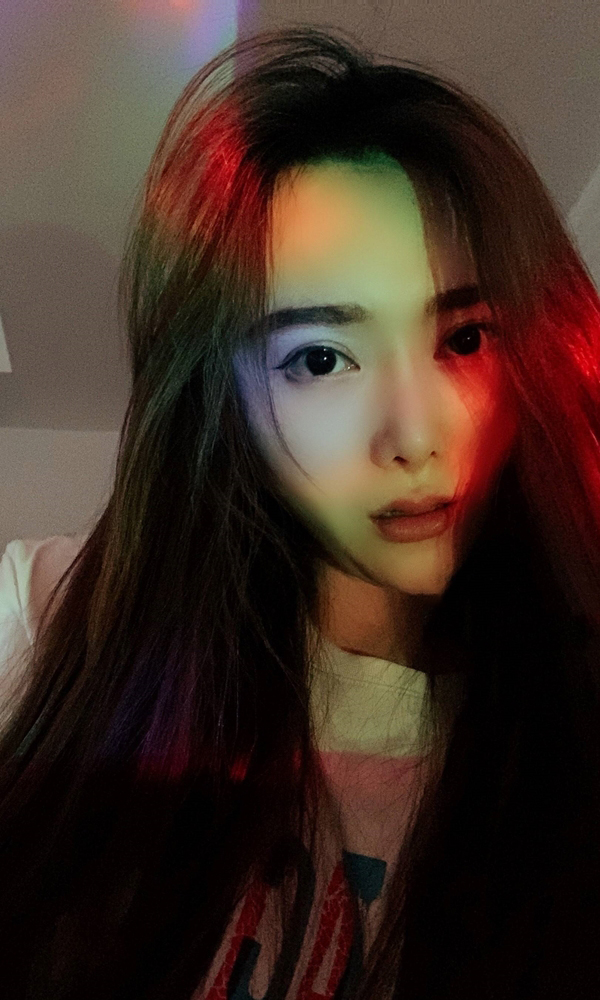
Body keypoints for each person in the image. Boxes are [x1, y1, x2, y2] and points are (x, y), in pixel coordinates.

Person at [0, 23, 599, 1000]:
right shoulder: (38, 617)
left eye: (465, 338)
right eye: (322, 358)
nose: (415, 434)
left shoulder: (567, 726)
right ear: (224, 401)